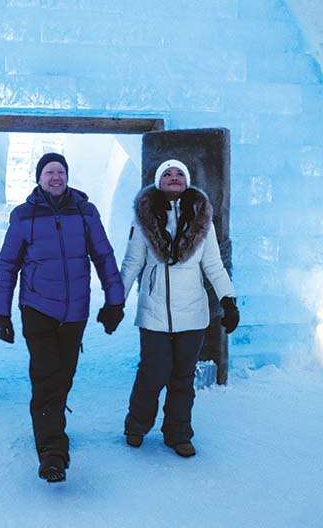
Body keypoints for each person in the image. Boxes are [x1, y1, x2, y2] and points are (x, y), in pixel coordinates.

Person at [0, 152, 126, 483]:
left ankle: (52, 426)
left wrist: (115, 302)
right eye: (49, 171)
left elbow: (104, 256)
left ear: (67, 176)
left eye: (61, 171)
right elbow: (8, 266)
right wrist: (1, 313)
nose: (56, 177)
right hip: (38, 309)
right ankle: (52, 452)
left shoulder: (85, 211)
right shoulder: (24, 216)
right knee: (46, 376)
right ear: (39, 178)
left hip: (75, 312)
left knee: (63, 377)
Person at [119, 159, 239, 457]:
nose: (174, 178)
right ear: (158, 181)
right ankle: (137, 425)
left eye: (180, 174)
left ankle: (178, 433)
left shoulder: (202, 220)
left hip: (192, 314)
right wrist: (115, 301)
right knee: (152, 372)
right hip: (153, 312)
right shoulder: (143, 220)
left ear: (187, 181)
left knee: (183, 377)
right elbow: (132, 263)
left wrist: (228, 299)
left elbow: (212, 264)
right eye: (168, 174)